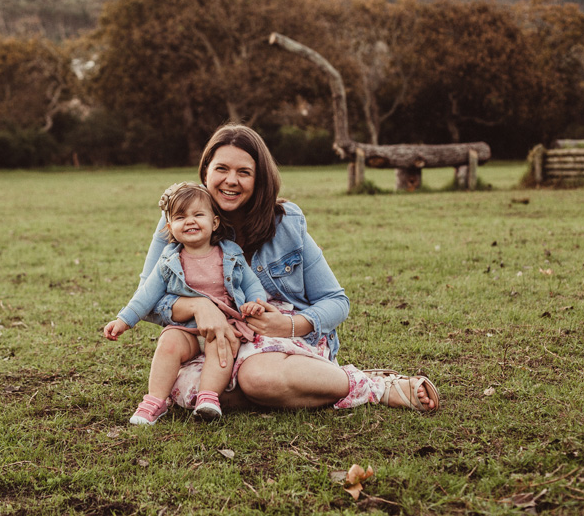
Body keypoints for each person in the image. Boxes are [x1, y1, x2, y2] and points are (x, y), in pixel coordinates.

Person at [138, 124, 439, 414]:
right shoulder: (181, 221)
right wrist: (198, 307)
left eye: (244, 172)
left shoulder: (286, 222)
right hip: (215, 343)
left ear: (259, 179)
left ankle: (376, 386)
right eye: (221, 169)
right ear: (206, 172)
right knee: (183, 388)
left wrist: (290, 325)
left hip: (284, 340)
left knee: (257, 378)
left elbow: (337, 301)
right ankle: (301, 384)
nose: (231, 180)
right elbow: (146, 300)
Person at [104, 182, 272, 424]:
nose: (190, 221)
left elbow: (251, 283)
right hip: (186, 329)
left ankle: (208, 398)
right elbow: (146, 295)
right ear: (170, 227)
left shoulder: (231, 253)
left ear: (214, 223)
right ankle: (154, 401)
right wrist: (123, 321)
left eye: (198, 215)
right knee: (168, 343)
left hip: (223, 324)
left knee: (221, 345)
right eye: (181, 217)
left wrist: (256, 303)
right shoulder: (169, 260)